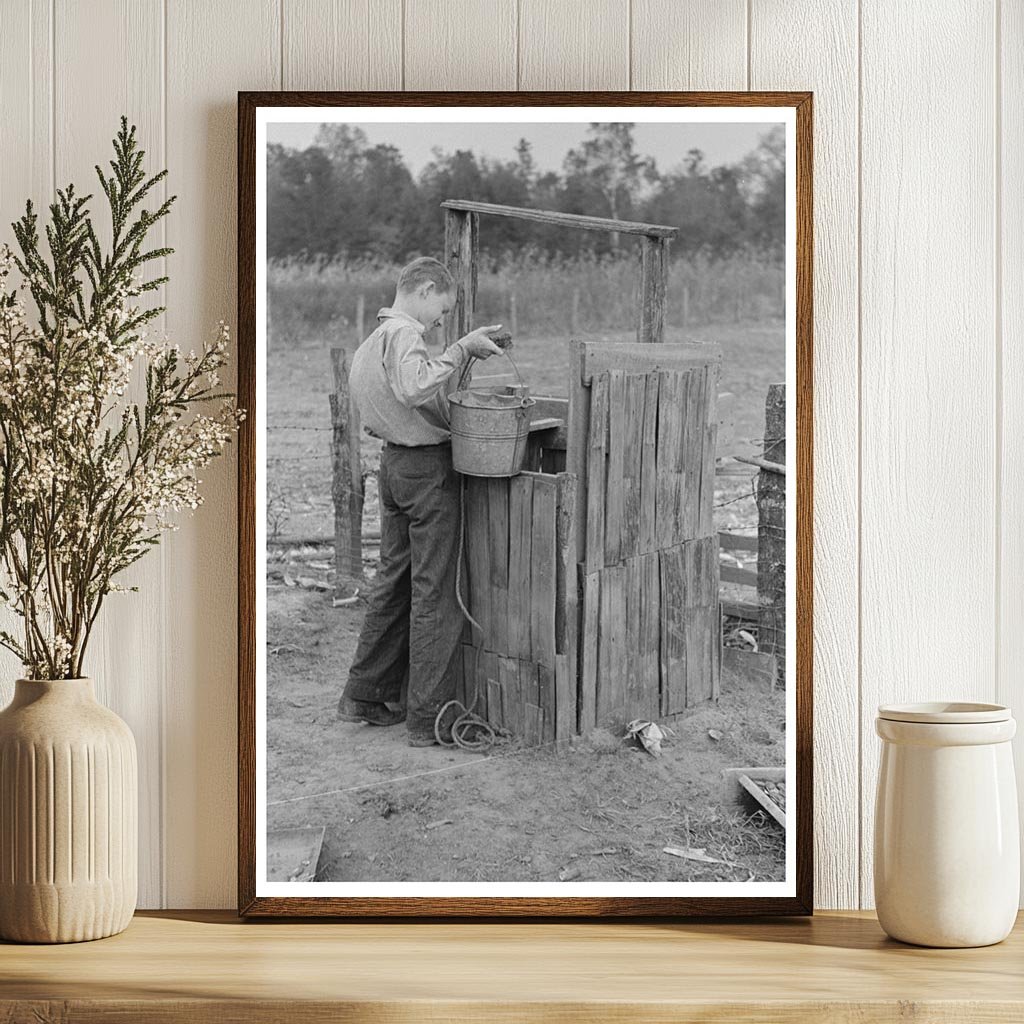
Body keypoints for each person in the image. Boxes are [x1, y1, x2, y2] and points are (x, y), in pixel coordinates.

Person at [337, 256, 504, 746]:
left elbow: (395, 393)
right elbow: (413, 388)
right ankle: (428, 717)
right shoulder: (405, 334)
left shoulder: (371, 342)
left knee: (393, 582)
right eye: (442, 310)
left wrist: (460, 353)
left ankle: (363, 693)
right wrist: (459, 348)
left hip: (393, 467)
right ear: (427, 289)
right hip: (426, 470)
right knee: (434, 591)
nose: (439, 321)